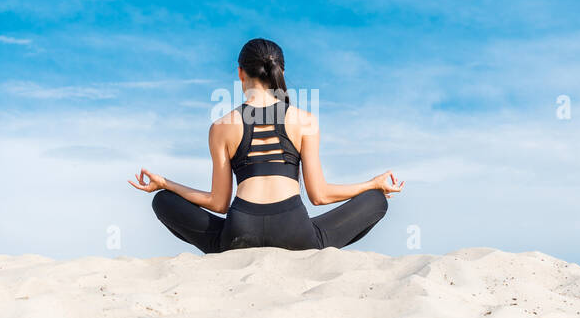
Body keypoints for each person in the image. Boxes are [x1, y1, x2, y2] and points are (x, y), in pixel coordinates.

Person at [129, 38, 403, 252]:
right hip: (296, 233)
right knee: (376, 201)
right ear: (279, 71)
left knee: (162, 201)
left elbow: (219, 203)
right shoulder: (304, 121)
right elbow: (320, 196)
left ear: (240, 73)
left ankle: (222, 247)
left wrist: (166, 184)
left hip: (239, 232)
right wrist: (372, 185)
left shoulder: (222, 126)